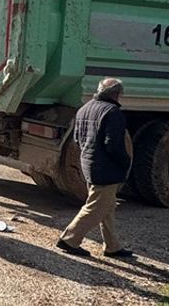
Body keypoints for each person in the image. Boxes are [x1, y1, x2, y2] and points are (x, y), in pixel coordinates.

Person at [57, 77, 134, 259]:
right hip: (106, 169)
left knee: (107, 206)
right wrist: (126, 162)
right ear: (117, 94)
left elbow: (77, 139)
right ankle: (69, 239)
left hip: (89, 165)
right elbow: (113, 145)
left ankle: (112, 246)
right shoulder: (112, 112)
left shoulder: (84, 109)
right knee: (96, 207)